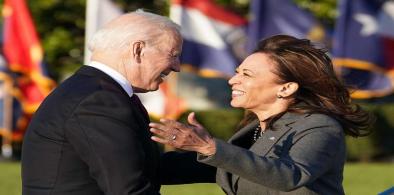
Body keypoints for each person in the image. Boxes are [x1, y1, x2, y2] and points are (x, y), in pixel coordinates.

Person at [149, 35, 374, 195]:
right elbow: (229, 167)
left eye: (247, 74)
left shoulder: (320, 126)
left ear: (286, 89)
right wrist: (131, 163)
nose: (233, 80)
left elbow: (289, 176)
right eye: (238, 72)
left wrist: (210, 148)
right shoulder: (257, 128)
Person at [21, 10, 188, 194]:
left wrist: (215, 153)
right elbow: (131, 189)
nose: (176, 66)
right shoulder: (98, 100)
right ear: (138, 50)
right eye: (173, 54)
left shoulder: (96, 91)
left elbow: (141, 165)